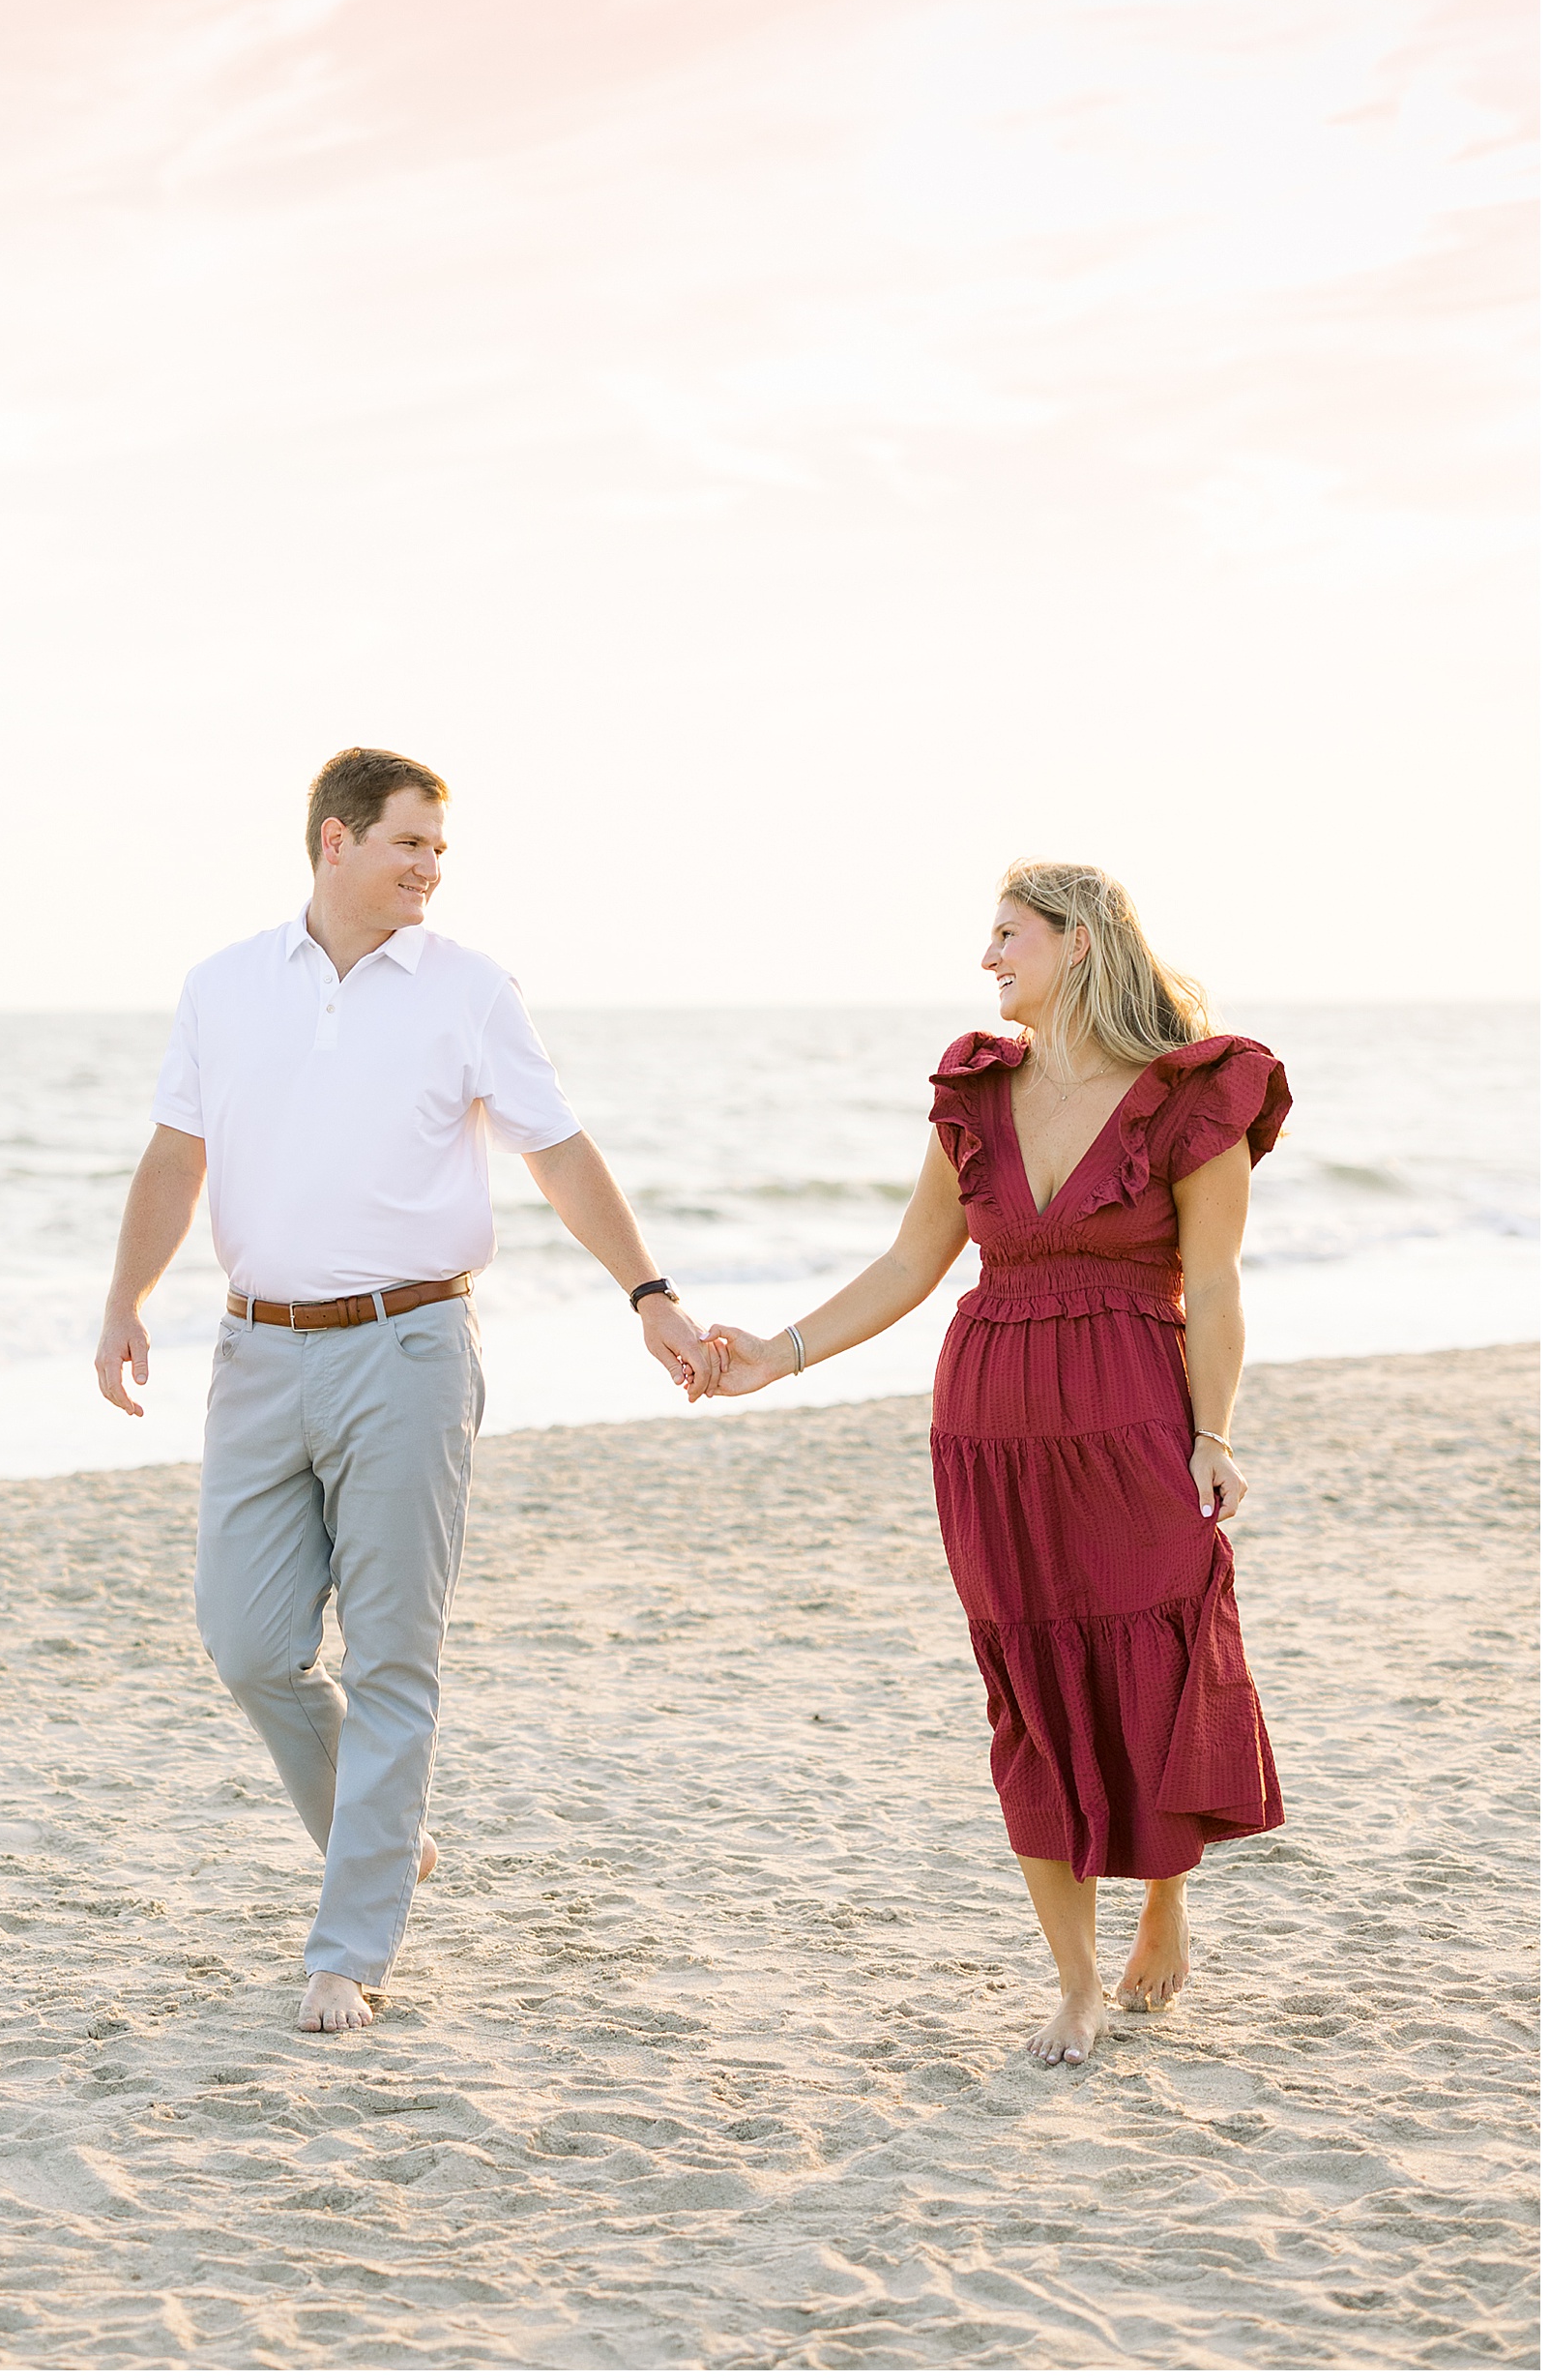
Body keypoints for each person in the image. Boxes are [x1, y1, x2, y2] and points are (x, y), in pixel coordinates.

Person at [95, 746, 723, 2034]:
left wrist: (650, 1293)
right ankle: (386, 1834)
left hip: (412, 1350)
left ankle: (349, 1946)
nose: (431, 868)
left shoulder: (471, 990)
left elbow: (558, 1152)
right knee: (248, 1640)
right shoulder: (222, 987)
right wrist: (125, 1301)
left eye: (442, 848)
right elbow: (175, 1152)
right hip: (256, 1350)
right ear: (336, 842)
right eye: (410, 844)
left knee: (392, 1656)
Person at [699, 860, 1290, 2066]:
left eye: (1008, 934)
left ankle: (1163, 1902)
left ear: (1078, 942)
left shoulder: (1194, 1091)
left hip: (1133, 1415)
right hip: (989, 1425)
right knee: (1026, 1682)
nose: (988, 958)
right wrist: (779, 1353)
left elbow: (1218, 1284)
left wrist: (1214, 1434)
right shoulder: (976, 1089)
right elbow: (913, 1260)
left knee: (1154, 1660)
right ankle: (1073, 1979)